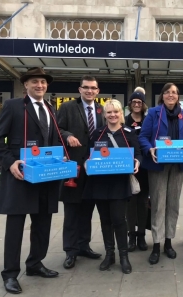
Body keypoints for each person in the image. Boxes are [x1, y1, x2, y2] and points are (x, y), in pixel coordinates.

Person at [0, 67, 60, 294]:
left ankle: (34, 263)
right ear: (26, 85)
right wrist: (10, 162)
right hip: (20, 176)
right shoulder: (13, 106)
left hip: (45, 178)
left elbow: (51, 140)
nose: (39, 85)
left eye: (42, 82)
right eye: (34, 82)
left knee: (42, 225)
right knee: (15, 228)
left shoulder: (50, 108)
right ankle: (10, 274)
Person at [83, 99, 142, 273]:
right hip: (100, 184)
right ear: (104, 114)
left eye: (115, 111)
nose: (113, 115)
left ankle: (124, 256)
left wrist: (137, 161)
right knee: (105, 220)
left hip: (119, 184)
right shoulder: (98, 133)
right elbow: (89, 154)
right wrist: (87, 163)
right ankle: (110, 255)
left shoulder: (128, 133)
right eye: (109, 112)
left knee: (119, 220)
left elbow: (138, 153)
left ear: (120, 113)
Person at [138, 83, 183, 265]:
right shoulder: (153, 113)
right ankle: (156, 244)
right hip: (157, 165)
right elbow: (143, 137)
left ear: (178, 96)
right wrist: (149, 149)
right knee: (158, 204)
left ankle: (168, 242)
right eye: (167, 92)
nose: (171, 95)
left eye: (174, 92)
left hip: (177, 165)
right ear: (162, 96)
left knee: (173, 204)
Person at [57, 75, 104, 270]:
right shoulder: (68, 107)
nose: (89, 91)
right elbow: (57, 129)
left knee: (87, 210)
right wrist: (67, 136)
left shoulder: (101, 110)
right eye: (86, 88)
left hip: (93, 169)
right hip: (73, 168)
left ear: (97, 91)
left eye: (93, 88)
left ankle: (84, 245)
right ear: (79, 89)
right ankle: (70, 250)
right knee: (72, 212)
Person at [125, 90, 149, 251]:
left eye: (139, 102)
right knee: (130, 203)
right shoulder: (123, 121)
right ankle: (131, 236)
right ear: (130, 104)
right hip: (128, 167)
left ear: (143, 104)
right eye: (134, 101)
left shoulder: (148, 121)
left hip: (145, 167)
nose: (136, 104)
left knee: (143, 202)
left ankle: (141, 235)